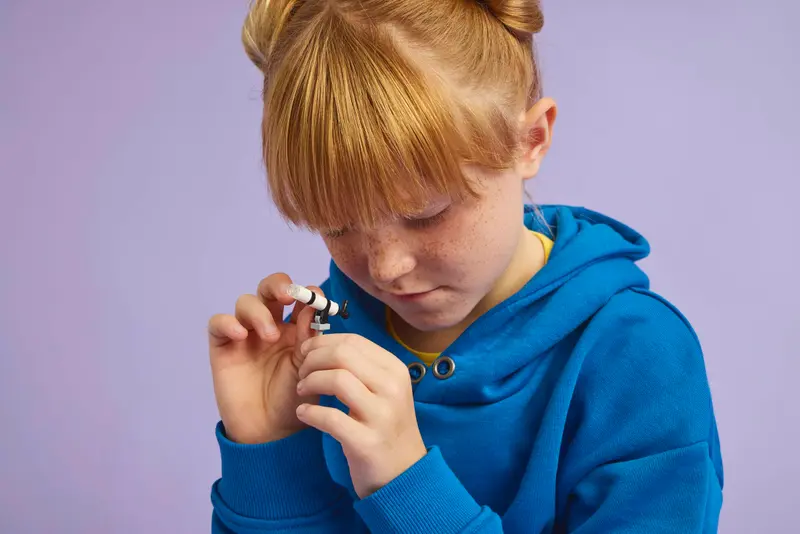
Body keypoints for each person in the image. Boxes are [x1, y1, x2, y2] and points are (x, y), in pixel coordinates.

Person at [206, 0, 724, 532]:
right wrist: (269, 453)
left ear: (531, 140)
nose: (385, 268)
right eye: (337, 227)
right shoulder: (316, 339)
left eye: (426, 215)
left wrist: (409, 487)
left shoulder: (636, 354)